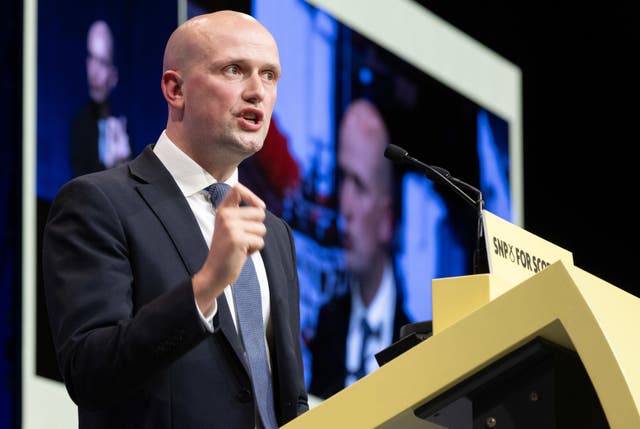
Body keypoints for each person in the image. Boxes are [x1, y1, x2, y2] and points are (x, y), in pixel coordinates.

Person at [43, 10, 308, 428]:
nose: (258, 91)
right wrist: (205, 286)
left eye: (270, 75)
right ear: (175, 89)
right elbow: (89, 371)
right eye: (235, 70)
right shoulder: (99, 204)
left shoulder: (275, 234)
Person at [308, 98, 411, 399]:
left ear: (387, 220)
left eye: (360, 185)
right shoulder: (326, 324)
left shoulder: (419, 341)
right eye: (342, 179)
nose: (346, 205)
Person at [70, 19, 131, 178]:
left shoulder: (127, 126)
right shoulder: (80, 125)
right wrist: (110, 167)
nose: (93, 72)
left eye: (102, 62)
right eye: (91, 57)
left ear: (114, 75)